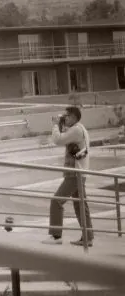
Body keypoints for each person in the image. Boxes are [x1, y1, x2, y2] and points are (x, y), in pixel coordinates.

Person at [42, 106, 93, 247]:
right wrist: (60, 123)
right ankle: (88, 237)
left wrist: (54, 125)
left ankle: (56, 235)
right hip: (79, 172)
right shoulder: (79, 128)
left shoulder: (76, 130)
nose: (65, 118)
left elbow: (58, 140)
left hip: (75, 173)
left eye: (68, 116)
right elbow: (64, 135)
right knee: (80, 205)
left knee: (56, 201)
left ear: (75, 118)